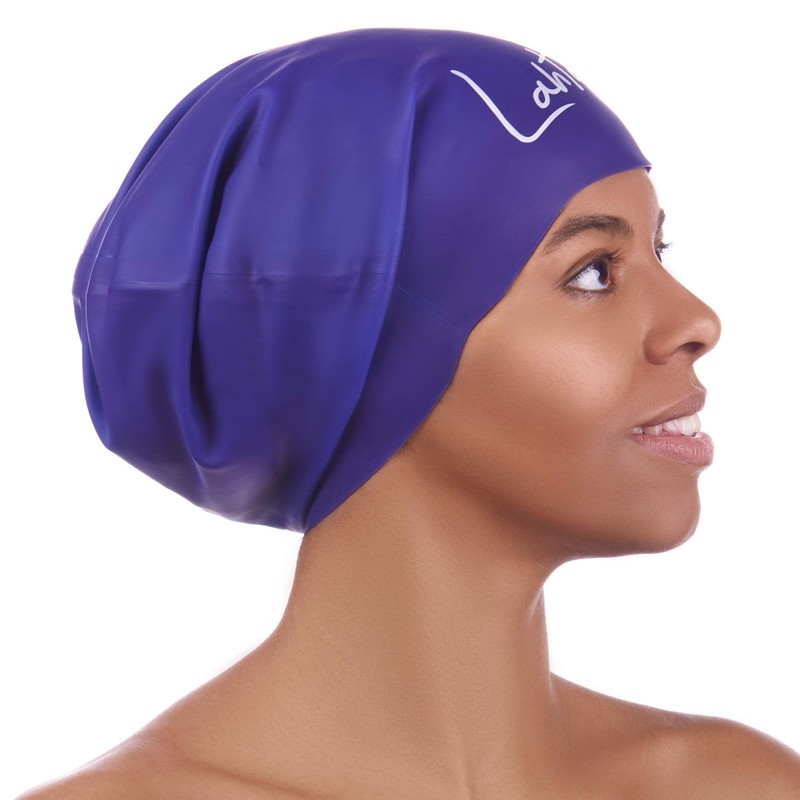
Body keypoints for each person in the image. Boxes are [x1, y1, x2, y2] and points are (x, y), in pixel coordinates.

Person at [18, 27, 800, 799]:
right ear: (350, 347)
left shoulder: (742, 786)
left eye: (660, 251)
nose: (697, 321)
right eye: (595, 272)